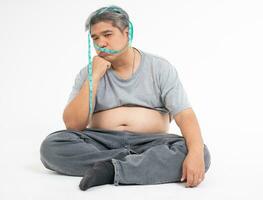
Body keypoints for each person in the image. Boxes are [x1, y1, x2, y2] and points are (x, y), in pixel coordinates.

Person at [39, 5, 211, 191]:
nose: (101, 43)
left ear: (127, 33)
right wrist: (94, 76)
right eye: (95, 38)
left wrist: (195, 153)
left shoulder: (159, 67)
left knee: (200, 152)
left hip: (151, 143)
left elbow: (184, 115)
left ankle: (109, 169)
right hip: (101, 143)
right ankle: (133, 166)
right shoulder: (86, 74)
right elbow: (73, 125)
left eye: (107, 34)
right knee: (52, 146)